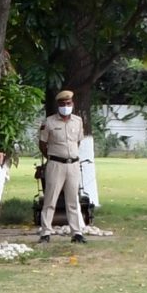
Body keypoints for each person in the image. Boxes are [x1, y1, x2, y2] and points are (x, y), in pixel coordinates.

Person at [36, 90, 87, 243]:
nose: (66, 106)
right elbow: (42, 144)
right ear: (58, 105)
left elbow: (77, 142)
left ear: (73, 104)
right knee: (50, 199)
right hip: (56, 164)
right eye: (63, 104)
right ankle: (45, 233)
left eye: (68, 103)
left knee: (73, 200)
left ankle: (76, 233)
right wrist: (52, 157)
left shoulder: (78, 121)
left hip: (73, 164)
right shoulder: (49, 122)